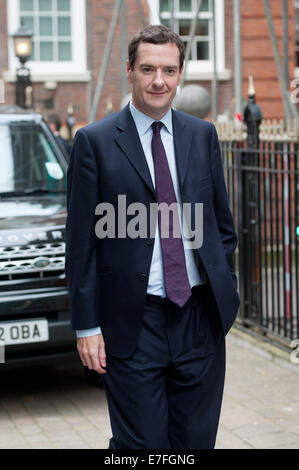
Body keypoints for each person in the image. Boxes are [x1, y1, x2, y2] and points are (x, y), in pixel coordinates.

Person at [65, 24, 240, 449]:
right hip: (132, 324)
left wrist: (223, 294)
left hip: (198, 320)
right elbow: (80, 246)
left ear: (180, 74)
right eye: (147, 69)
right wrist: (87, 326)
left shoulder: (202, 136)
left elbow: (221, 227)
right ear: (130, 71)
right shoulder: (95, 141)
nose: (158, 80)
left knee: (196, 444)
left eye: (168, 70)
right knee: (140, 446)